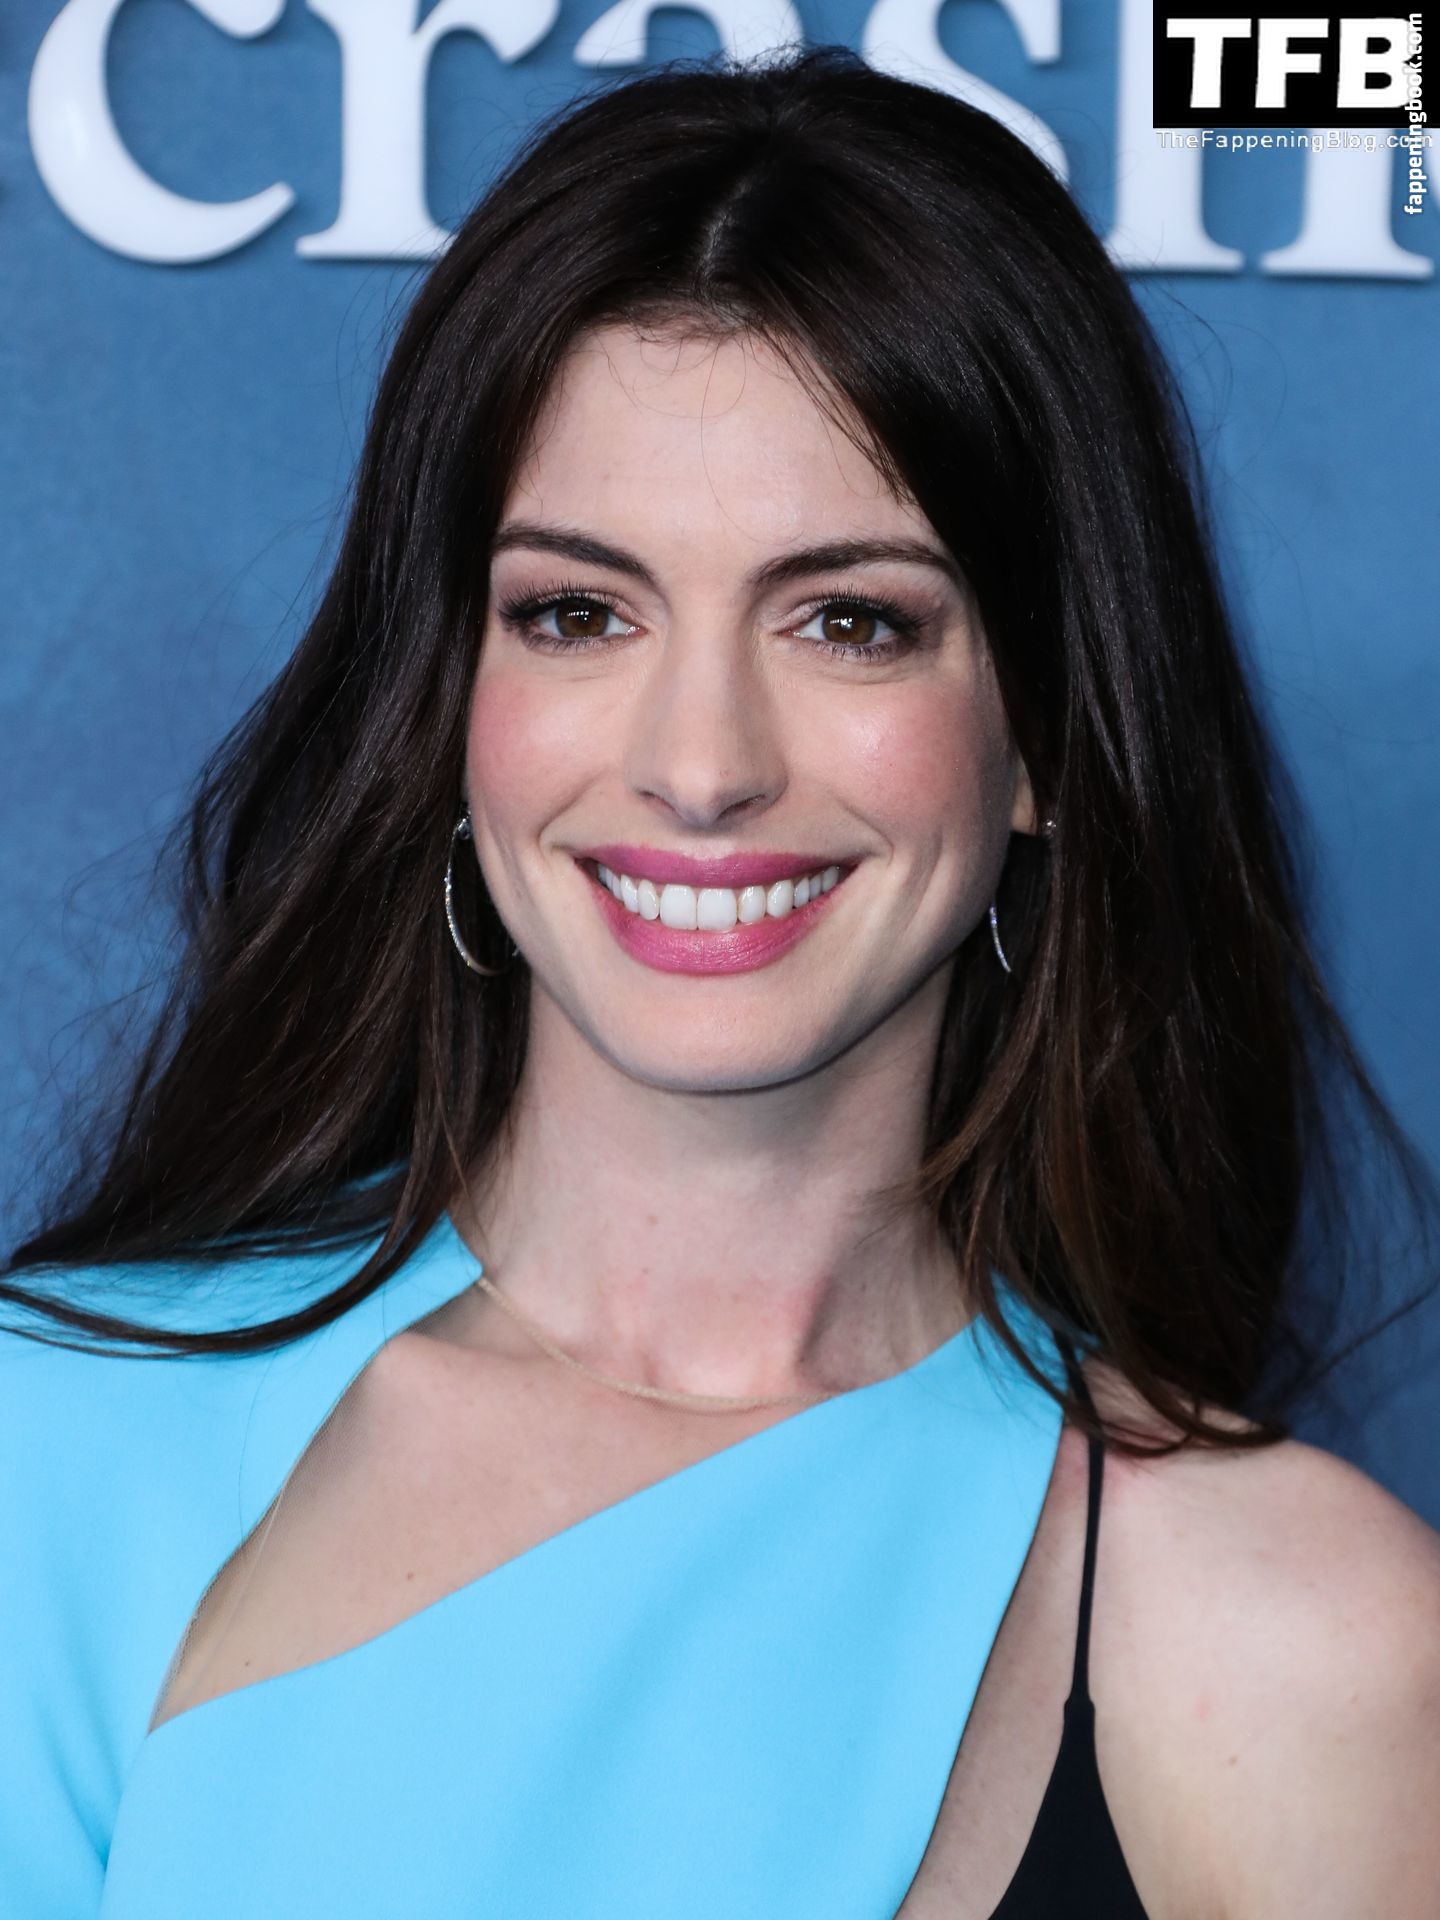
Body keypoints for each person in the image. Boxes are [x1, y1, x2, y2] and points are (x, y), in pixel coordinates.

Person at [3, 43, 1438, 1920]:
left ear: (1047, 741)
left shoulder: (1316, 1641)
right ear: (450, 705)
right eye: (576, 613)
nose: (699, 764)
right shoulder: (54, 1446)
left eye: (851, 621)